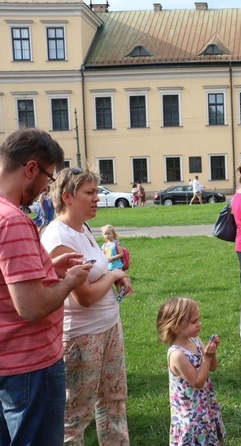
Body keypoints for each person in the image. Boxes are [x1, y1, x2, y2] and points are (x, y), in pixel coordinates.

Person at [0, 128, 92, 445]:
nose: (45, 190)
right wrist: (68, 282)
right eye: (49, 178)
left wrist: (48, 269)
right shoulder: (13, 221)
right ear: (31, 169)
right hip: (30, 367)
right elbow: (32, 307)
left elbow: (8, 283)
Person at [41, 167, 133, 444]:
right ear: (67, 197)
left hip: (108, 326)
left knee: (114, 401)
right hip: (82, 337)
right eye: (89, 193)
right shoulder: (59, 237)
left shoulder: (82, 228)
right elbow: (85, 296)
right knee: (75, 416)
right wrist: (115, 275)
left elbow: (95, 273)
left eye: (96, 192)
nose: (97, 198)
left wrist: (113, 277)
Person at [156, 297, 226, 445]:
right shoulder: (177, 355)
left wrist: (211, 352)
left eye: (198, 319)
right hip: (190, 415)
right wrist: (206, 356)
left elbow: (212, 368)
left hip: (204, 406)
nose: (199, 324)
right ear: (175, 327)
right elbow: (198, 382)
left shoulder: (194, 340)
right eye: (193, 322)